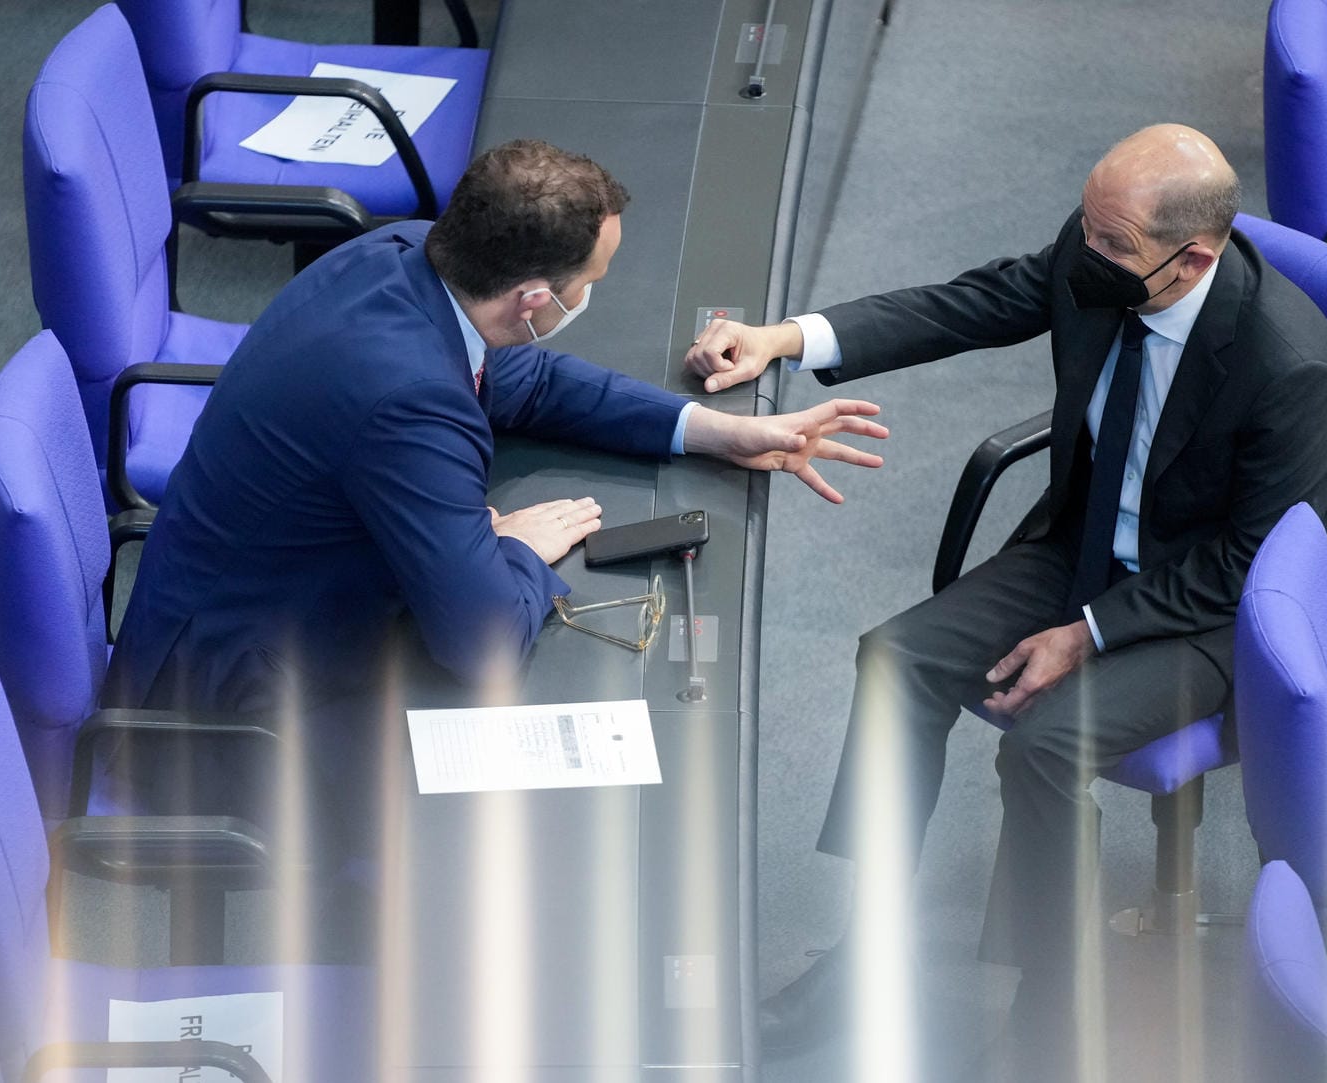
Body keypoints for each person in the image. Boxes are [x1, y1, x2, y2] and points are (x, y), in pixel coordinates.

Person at [685, 124, 1327, 1072]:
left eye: (1109, 246)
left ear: (1191, 261)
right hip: (1092, 542)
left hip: (1228, 609)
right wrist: (789, 337)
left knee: (1047, 750)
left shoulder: (1288, 365)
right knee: (896, 661)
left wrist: (1087, 634)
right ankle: (867, 951)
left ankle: (1053, 999)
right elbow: (974, 302)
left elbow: (1254, 561)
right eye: (1087, 228)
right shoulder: (1106, 246)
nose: (1081, 253)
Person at [102, 139, 887, 719]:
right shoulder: (410, 402)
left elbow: (527, 380)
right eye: (589, 284)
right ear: (533, 301)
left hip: (248, 599)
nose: (593, 295)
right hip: (229, 694)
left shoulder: (403, 251)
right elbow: (481, 645)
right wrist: (509, 548)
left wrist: (710, 429)